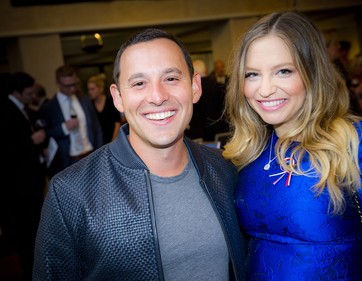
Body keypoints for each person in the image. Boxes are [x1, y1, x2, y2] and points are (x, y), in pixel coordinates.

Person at [33, 28, 246, 281]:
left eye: (171, 79)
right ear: (118, 98)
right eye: (139, 83)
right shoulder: (70, 193)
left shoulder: (225, 170)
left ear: (195, 87)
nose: (157, 96)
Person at [223, 11, 362, 280]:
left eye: (283, 71)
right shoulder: (249, 151)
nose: (265, 89)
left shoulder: (358, 142)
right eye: (252, 74)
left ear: (312, 73)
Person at [0, 72, 47, 281]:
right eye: (28, 93)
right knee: (26, 234)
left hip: (33, 181)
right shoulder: (5, 111)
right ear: (17, 92)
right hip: (19, 186)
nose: (32, 96)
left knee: (35, 230)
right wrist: (31, 141)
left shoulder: (25, 109)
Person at [40, 64, 103, 179]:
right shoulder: (49, 107)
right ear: (58, 83)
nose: (72, 89)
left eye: (74, 84)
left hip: (90, 156)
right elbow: (45, 134)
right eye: (67, 86)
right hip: (68, 161)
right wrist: (64, 127)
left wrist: (99, 153)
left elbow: (96, 127)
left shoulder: (84, 99)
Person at [87, 73, 122, 144]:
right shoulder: (89, 105)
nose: (90, 92)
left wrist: (113, 141)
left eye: (92, 89)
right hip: (98, 142)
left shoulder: (110, 102)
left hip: (114, 139)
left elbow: (117, 123)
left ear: (101, 89)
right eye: (88, 89)